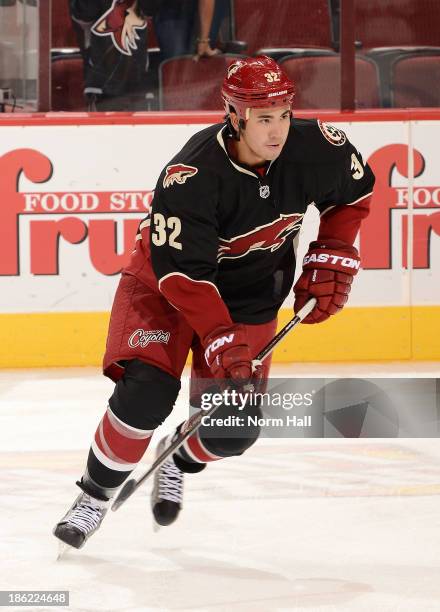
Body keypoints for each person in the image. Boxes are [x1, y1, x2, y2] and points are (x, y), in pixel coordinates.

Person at [53, 55, 375, 549]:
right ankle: (94, 496)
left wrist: (335, 248)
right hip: (166, 289)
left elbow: (353, 194)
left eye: (284, 114)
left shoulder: (316, 147)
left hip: (250, 293)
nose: (277, 131)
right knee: (145, 394)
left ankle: (177, 457)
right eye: (263, 118)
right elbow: (184, 276)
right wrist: (220, 339)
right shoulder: (192, 174)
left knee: (232, 432)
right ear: (234, 113)